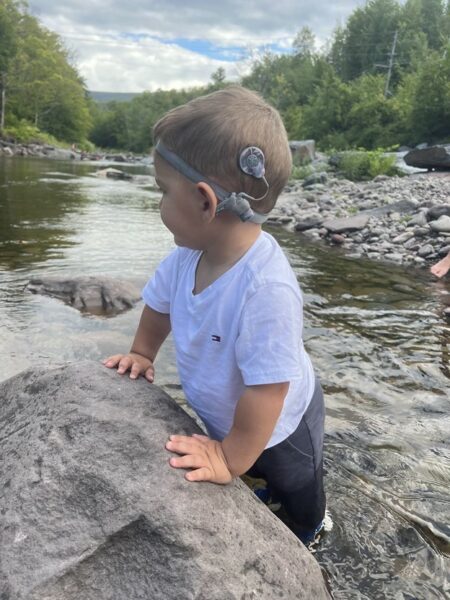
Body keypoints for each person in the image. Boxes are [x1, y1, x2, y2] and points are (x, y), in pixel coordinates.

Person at [103, 86, 326, 545]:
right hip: (229, 410)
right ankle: (251, 473)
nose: (158, 202)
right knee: (251, 462)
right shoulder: (187, 255)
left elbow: (268, 391)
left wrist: (229, 458)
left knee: (296, 483)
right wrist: (142, 353)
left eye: (163, 190)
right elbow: (159, 307)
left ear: (205, 202)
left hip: (283, 421)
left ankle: (311, 529)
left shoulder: (266, 287)